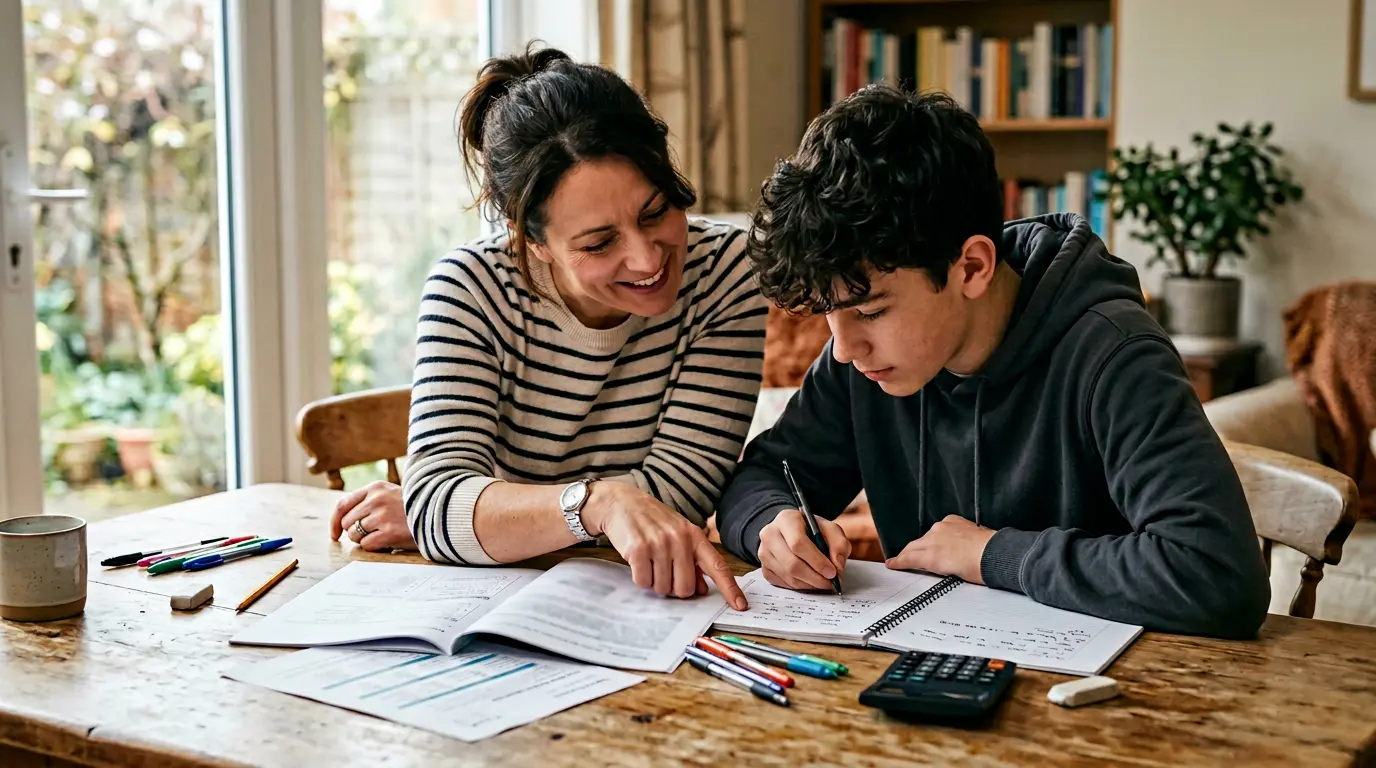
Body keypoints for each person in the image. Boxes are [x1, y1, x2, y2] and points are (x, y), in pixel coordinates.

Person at [715, 86, 1271, 639]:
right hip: (931, 663)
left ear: (973, 267)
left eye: (871, 311)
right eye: (828, 313)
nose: (842, 348)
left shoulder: (1115, 355)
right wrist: (772, 526)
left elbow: (1218, 574)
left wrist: (991, 554)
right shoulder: (862, 360)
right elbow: (760, 477)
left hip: (1111, 683)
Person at [329, 45, 766, 612]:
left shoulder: (726, 273)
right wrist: (598, 505)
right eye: (599, 243)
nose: (647, 259)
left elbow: (677, 498)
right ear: (532, 241)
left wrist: (481, 521)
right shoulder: (470, 289)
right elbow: (438, 504)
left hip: (640, 602)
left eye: (656, 211)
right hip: (503, 607)